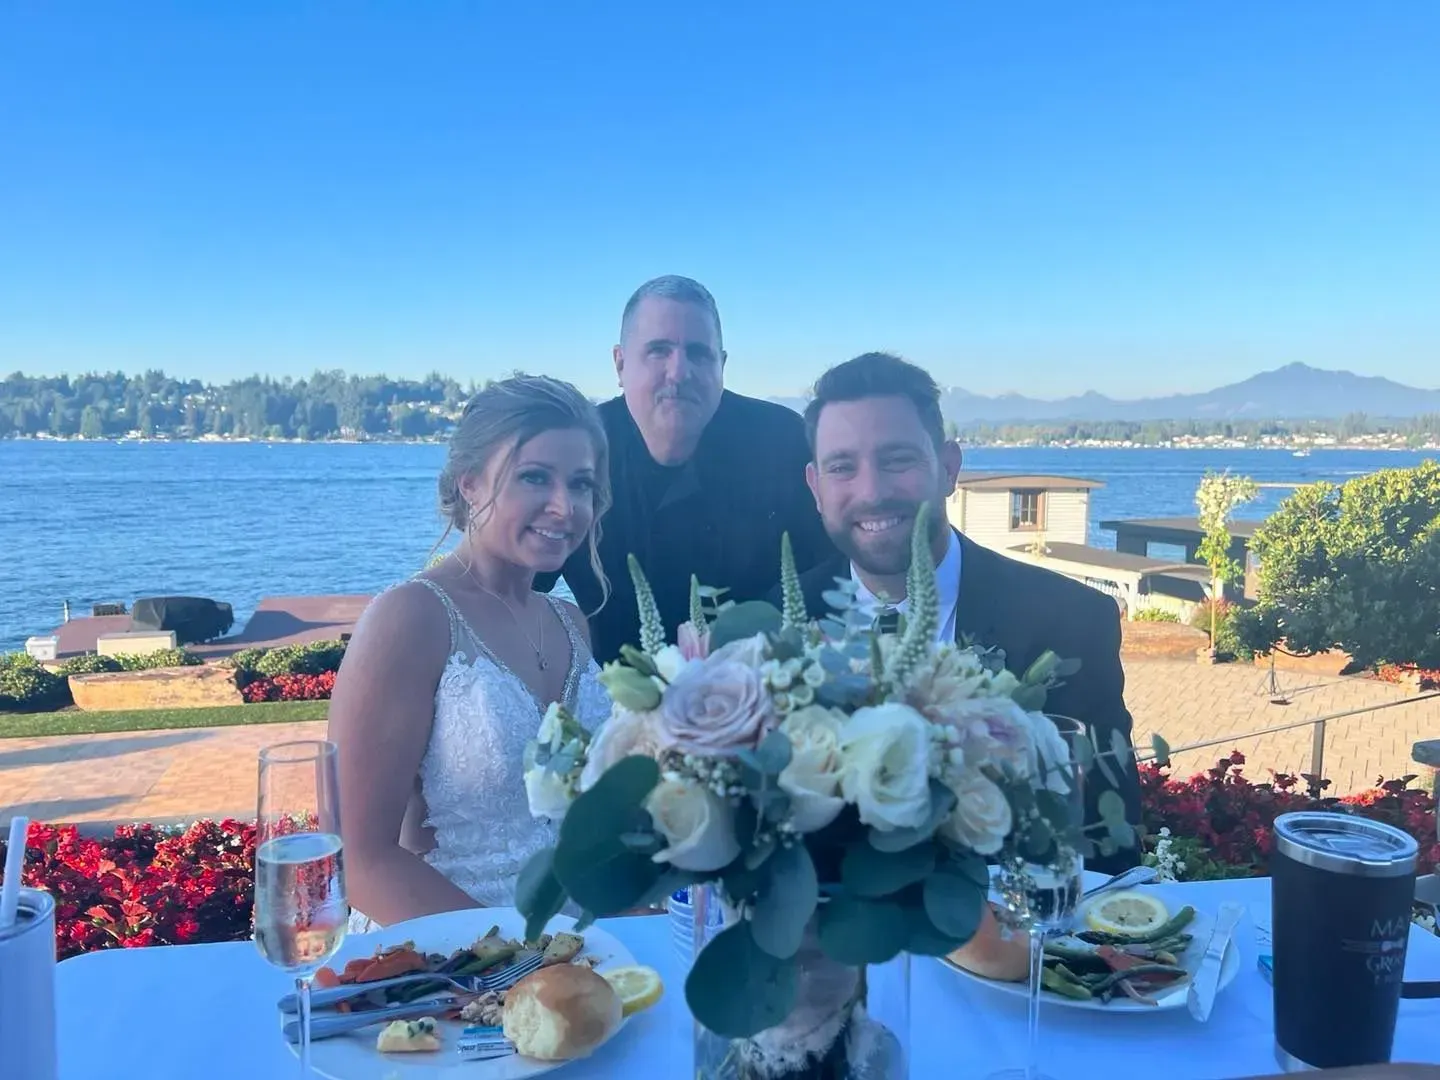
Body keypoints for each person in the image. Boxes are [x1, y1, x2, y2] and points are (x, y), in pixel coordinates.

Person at [783, 352, 1142, 871]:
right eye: (843, 467)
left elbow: (1110, 846)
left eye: (897, 459)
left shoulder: (1068, 623)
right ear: (816, 488)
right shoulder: (775, 625)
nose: (872, 491)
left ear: (948, 467)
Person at [328, 375, 614, 927]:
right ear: (470, 485)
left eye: (580, 484)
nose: (565, 506)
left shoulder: (572, 623)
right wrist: (517, 962)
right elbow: (360, 859)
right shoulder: (411, 619)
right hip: (446, 962)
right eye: (535, 477)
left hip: (583, 950)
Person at [536, 275, 833, 662]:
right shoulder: (576, 450)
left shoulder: (784, 440)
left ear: (721, 365)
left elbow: (840, 567)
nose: (679, 372)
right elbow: (514, 584)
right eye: (659, 351)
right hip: (618, 703)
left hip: (772, 693)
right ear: (620, 364)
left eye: (698, 353)